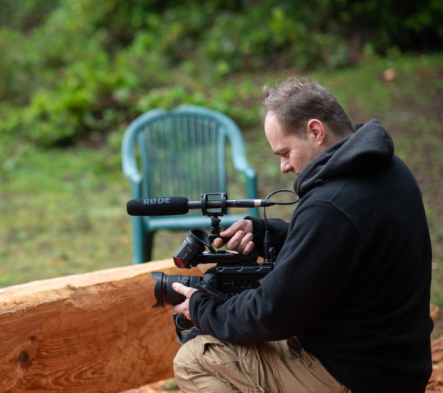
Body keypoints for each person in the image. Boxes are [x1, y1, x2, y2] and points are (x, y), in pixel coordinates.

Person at [169, 77, 433, 392]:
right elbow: (343, 245)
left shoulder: (330, 206)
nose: (283, 167)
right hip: (397, 364)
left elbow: (271, 314)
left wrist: (203, 308)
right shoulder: (388, 168)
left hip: (353, 375)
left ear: (315, 131)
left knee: (193, 359)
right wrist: (269, 232)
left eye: (285, 152)